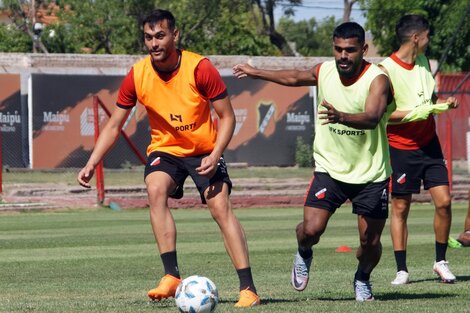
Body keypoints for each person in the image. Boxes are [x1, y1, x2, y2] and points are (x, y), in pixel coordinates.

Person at [77, 9, 260, 308]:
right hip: (166, 150)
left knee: (219, 206)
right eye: (149, 38)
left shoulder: (200, 68)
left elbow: (227, 118)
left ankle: (248, 288)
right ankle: (171, 276)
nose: (154, 43)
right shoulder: (137, 75)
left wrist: (215, 154)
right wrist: (91, 162)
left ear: (175, 35)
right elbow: (114, 125)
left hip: (204, 150)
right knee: (155, 189)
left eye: (160, 36)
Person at [233, 22, 391, 301]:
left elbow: (373, 116)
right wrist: (256, 71)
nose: (343, 56)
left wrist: (341, 116)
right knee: (310, 230)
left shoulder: (377, 79)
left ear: (363, 49)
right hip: (329, 168)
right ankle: (304, 253)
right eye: (338, 49)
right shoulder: (325, 71)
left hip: (370, 174)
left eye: (350, 50)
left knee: (370, 242)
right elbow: (295, 76)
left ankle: (363, 278)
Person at [379, 15, 460, 285]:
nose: (429, 39)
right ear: (416, 38)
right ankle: (402, 269)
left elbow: (429, 98)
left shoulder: (424, 61)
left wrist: (442, 103)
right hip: (401, 148)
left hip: (429, 144)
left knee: (445, 202)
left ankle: (441, 262)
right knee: (401, 207)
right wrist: (416, 112)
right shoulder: (386, 69)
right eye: (427, 35)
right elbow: (381, 115)